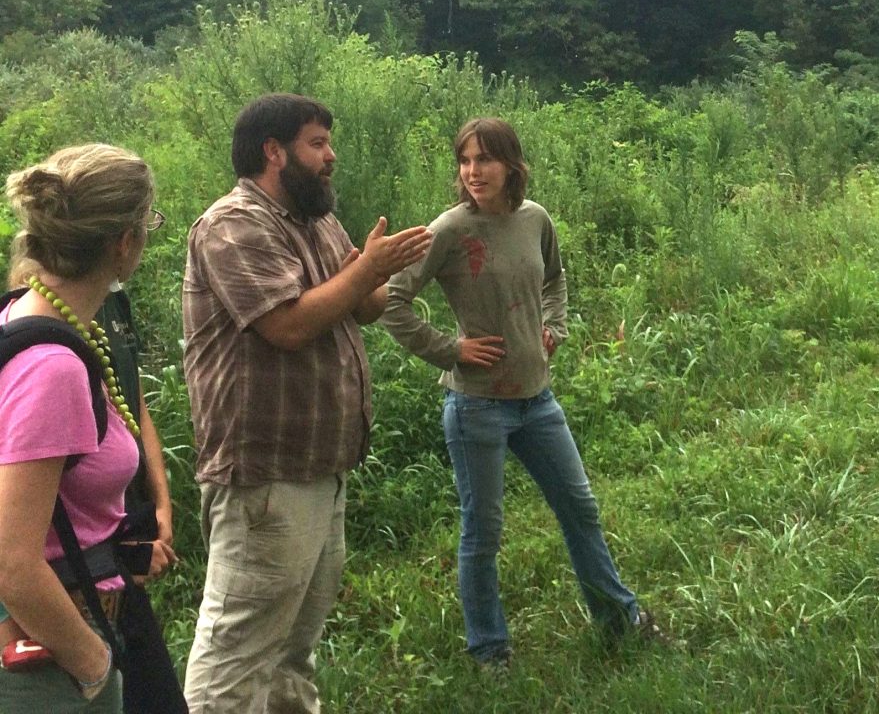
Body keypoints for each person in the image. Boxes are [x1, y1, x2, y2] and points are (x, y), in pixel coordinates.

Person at [182, 93, 433, 714]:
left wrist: (374, 271)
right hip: (265, 475)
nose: (331, 156)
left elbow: (364, 308)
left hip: (320, 467)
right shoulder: (235, 225)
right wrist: (364, 271)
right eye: (317, 144)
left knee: (294, 650)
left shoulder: (315, 219)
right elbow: (288, 325)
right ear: (274, 151)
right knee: (237, 657)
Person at [381, 117, 663, 667]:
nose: (473, 172)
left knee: (580, 509)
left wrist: (554, 327)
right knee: (483, 532)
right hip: (476, 405)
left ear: (511, 165)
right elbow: (393, 300)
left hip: (537, 401)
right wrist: (450, 349)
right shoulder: (450, 230)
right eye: (465, 161)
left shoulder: (535, 219)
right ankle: (490, 651)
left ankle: (618, 621)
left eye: (484, 159)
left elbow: (554, 278)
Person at [0, 143, 167, 712]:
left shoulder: (25, 316)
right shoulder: (53, 368)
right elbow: (13, 562)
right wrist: (94, 667)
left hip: (70, 629)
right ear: (124, 243)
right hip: (49, 661)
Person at [97, 283, 188, 714]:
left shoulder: (113, 298)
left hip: (125, 535)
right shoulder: (56, 317)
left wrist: (161, 503)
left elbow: (136, 408)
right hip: (95, 560)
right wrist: (119, 552)